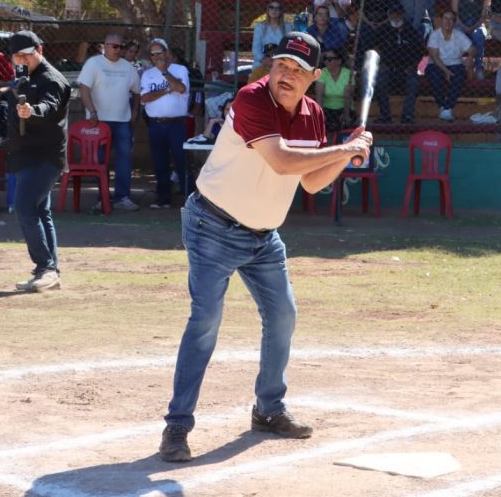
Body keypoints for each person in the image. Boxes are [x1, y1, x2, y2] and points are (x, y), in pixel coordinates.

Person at [158, 32, 372, 463]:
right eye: (280, 66)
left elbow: (310, 181)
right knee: (205, 321)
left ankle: (269, 410)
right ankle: (177, 426)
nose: (286, 76)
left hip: (263, 237)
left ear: (314, 77)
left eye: (297, 70)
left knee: (283, 316)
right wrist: (345, 148)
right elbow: (282, 160)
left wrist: (344, 159)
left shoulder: (311, 114)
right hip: (212, 226)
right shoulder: (252, 99)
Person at [3, 31, 72, 293]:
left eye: (26, 54)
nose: (22, 59)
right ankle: (49, 270)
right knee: (41, 211)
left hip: (44, 157)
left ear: (39, 51)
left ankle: (46, 268)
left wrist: (32, 112)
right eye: (17, 55)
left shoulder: (52, 79)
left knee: (24, 208)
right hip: (27, 154)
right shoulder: (26, 76)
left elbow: (49, 106)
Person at [77, 33, 142, 211]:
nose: (118, 50)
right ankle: (102, 198)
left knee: (124, 160)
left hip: (122, 121)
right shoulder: (93, 63)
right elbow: (84, 88)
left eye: (121, 47)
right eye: (115, 47)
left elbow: (137, 92)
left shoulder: (128, 67)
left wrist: (135, 111)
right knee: (99, 161)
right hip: (99, 122)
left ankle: (123, 197)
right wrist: (92, 111)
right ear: (105, 46)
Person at [140, 39, 191, 209]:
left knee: (181, 160)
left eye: (159, 52)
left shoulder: (180, 69)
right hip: (156, 124)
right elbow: (144, 98)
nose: (156, 57)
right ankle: (163, 198)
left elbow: (181, 88)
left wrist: (164, 73)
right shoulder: (147, 74)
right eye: (153, 54)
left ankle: (190, 199)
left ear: (167, 53)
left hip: (176, 124)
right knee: (160, 162)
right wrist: (167, 90)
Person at [371, 3, 423, 124]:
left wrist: (412, 66)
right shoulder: (383, 30)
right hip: (387, 67)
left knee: (413, 83)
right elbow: (374, 47)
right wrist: (380, 63)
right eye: (392, 15)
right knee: (380, 81)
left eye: (397, 15)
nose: (395, 17)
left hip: (406, 68)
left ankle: (407, 116)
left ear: (403, 15)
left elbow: (419, 51)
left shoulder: (411, 31)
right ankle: (385, 116)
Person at [426, 10, 474, 122]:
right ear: (441, 21)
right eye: (445, 18)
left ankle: (446, 108)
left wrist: (470, 58)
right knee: (435, 76)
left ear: (454, 22)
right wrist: (446, 71)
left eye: (451, 19)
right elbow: (434, 57)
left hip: (455, 64)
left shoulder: (458, 34)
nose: (447, 21)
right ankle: (445, 108)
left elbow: (472, 49)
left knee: (459, 76)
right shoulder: (435, 35)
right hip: (437, 64)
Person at [451, 0, 490, 80]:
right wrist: (463, 25)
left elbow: (484, 15)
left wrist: (473, 27)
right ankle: (456, 67)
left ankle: (478, 67)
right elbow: (454, 12)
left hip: (477, 23)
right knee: (456, 34)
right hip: (460, 23)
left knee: (479, 34)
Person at [315, 48, 354, 132]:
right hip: (326, 109)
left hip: (344, 108)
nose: (326, 62)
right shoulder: (322, 72)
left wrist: (346, 114)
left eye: (330, 59)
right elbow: (319, 96)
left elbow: (348, 96)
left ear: (339, 61)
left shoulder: (348, 74)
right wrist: (320, 114)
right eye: (325, 59)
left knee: (346, 121)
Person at [252, 1, 293, 70]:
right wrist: (263, 60)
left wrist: (279, 61)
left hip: (281, 61)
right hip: (263, 61)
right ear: (268, 10)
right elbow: (256, 49)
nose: (274, 10)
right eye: (271, 7)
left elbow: (289, 47)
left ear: (281, 11)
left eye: (278, 8)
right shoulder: (260, 27)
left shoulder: (288, 27)